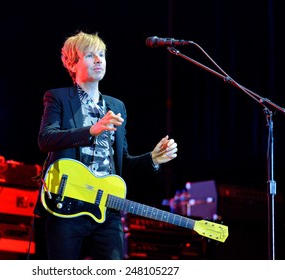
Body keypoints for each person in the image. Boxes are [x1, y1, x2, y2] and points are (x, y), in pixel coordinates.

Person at [33, 31, 178, 260]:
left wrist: (152, 159)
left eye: (102, 55)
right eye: (90, 55)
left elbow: (122, 164)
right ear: (72, 64)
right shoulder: (58, 98)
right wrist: (91, 130)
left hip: (106, 210)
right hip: (67, 205)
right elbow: (46, 139)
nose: (99, 60)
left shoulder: (116, 106)